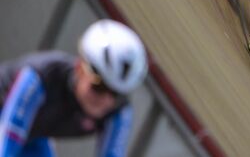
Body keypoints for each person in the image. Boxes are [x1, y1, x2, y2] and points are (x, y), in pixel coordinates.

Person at [0, 19, 148, 157]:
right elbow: (9, 136)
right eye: (100, 87)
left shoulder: (118, 111)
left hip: (31, 136)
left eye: (117, 94)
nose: (106, 100)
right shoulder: (42, 76)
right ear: (80, 67)